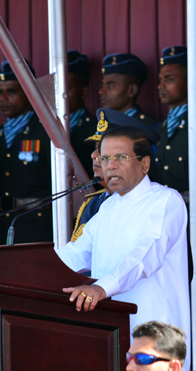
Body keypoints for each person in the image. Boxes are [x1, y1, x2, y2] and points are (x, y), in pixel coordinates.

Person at [55, 125, 191, 371]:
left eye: (120, 158)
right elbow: (74, 254)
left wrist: (100, 288)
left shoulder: (165, 200)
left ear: (145, 164)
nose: (110, 166)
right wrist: (19, 269)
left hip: (154, 333)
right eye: (105, 158)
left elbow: (143, 257)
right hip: (112, 333)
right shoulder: (108, 206)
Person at [0, 59, 53, 244]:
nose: (3, 98)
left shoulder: (46, 132)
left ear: (29, 91)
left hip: (37, 228)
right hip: (2, 225)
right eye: (0, 92)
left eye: (11, 91)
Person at [71, 108, 159, 242]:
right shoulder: (94, 204)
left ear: (143, 162)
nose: (94, 155)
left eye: (117, 155)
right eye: (96, 148)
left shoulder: (157, 203)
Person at [153, 46, 190, 200]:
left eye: (170, 79)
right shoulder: (159, 129)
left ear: (189, 82)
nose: (161, 86)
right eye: (160, 80)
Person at [99, 53, 156, 127]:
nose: (101, 91)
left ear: (132, 90)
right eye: (103, 85)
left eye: (111, 86)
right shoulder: (101, 124)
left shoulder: (147, 127)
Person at [67, 50, 97, 178]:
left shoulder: (95, 129)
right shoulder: (43, 126)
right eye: (56, 87)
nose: (59, 94)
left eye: (66, 88)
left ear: (83, 92)